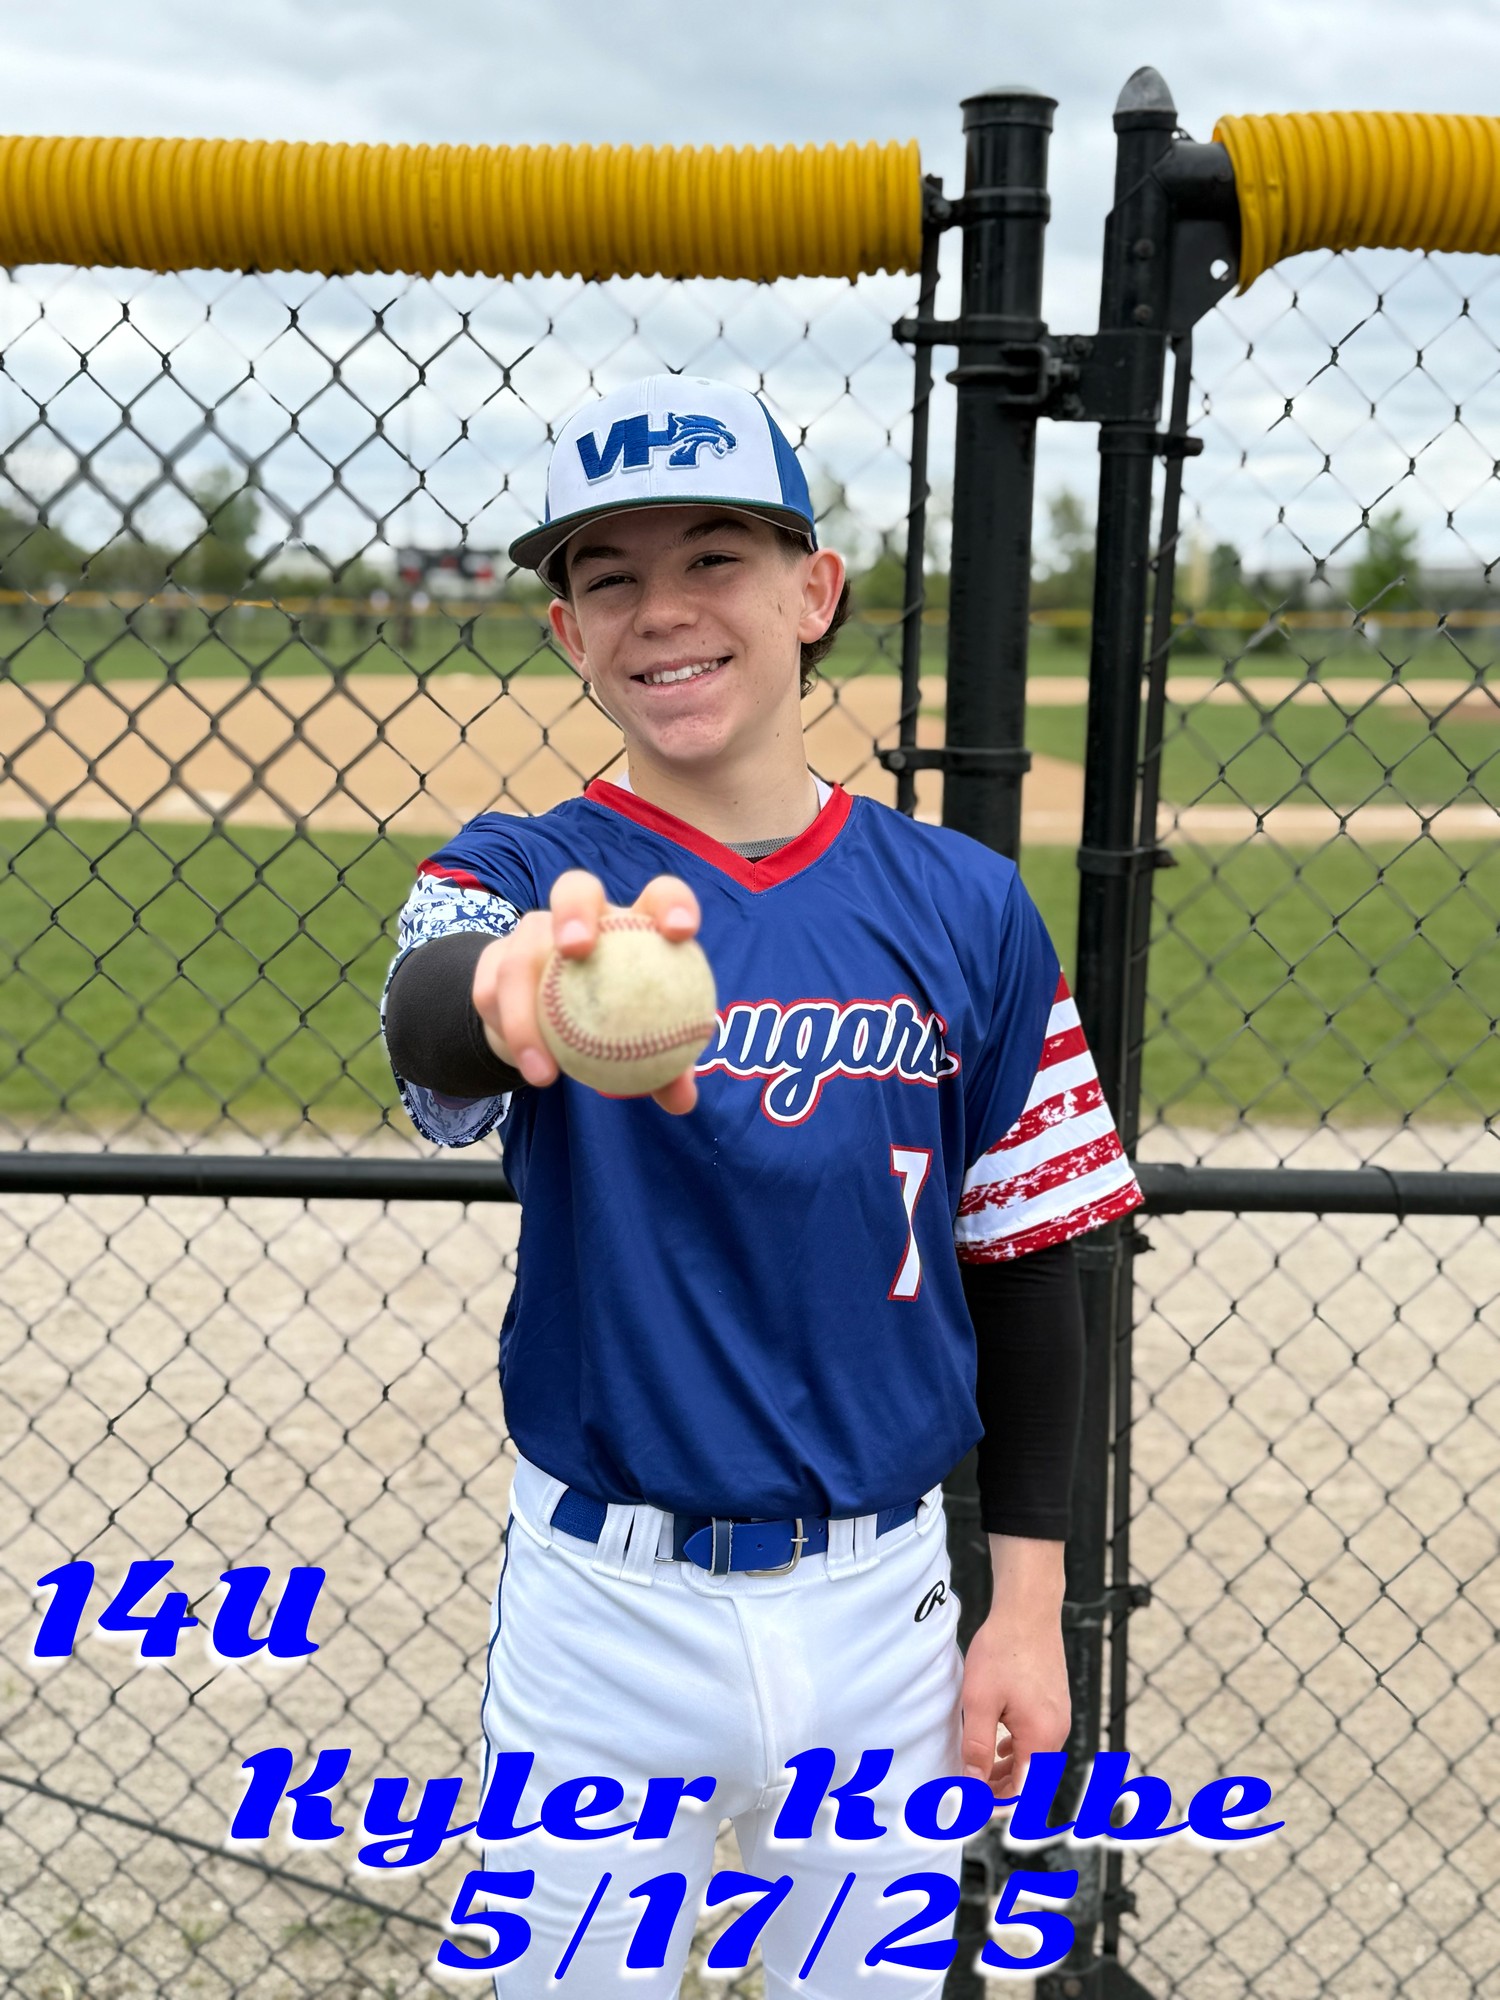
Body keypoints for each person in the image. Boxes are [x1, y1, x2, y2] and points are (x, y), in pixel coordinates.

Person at [381, 374, 1142, 1997]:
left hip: (882, 1607)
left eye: (715, 558)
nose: (662, 609)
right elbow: (431, 1007)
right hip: (603, 1609)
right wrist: (510, 991)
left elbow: (1026, 1264)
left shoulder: (966, 905)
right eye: (609, 578)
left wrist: (1026, 1609)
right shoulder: (520, 873)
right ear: (568, 636)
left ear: (814, 592)